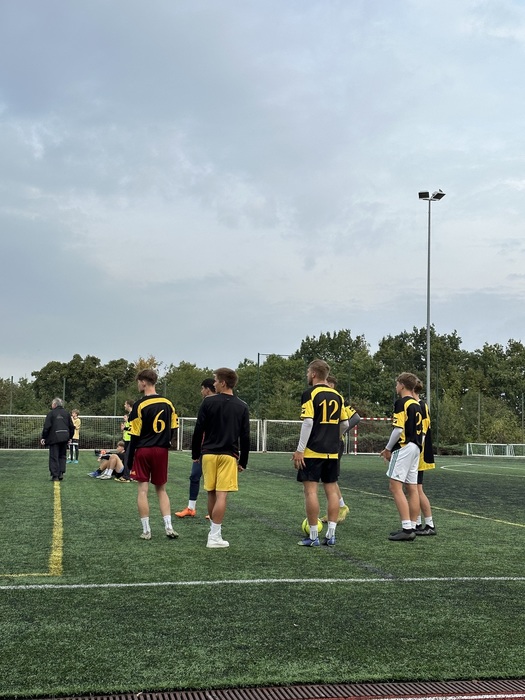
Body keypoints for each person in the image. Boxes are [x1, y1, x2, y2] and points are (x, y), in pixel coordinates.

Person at [191, 367, 250, 549]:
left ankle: (214, 533)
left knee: (211, 492)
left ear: (223, 383)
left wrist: (195, 454)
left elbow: (198, 430)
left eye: (216, 380)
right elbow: (245, 437)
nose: (214, 383)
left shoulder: (208, 402)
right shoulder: (242, 406)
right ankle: (215, 536)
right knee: (222, 495)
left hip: (208, 454)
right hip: (228, 455)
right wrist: (243, 461)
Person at [293, 360, 349, 548]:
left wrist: (300, 449)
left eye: (308, 372)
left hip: (313, 451)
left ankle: (313, 536)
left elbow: (308, 422)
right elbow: (345, 424)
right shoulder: (337, 395)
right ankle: (331, 535)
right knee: (331, 490)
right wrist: (334, 437)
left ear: (314, 374)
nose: (307, 375)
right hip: (332, 452)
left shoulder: (310, 394)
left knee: (311, 491)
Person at [128, 369, 179, 540]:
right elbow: (174, 428)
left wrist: (129, 458)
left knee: (143, 490)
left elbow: (134, 435)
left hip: (144, 450)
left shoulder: (139, 405)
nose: (138, 385)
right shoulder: (168, 403)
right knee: (161, 489)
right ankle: (169, 527)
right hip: (161, 450)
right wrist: (165, 442)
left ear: (143, 382)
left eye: (138, 382)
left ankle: (146, 531)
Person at [380, 372, 423, 541]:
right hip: (416, 447)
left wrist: (388, 449)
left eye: (397, 384)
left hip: (404, 447)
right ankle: (412, 525)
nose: (396, 387)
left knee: (395, 487)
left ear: (402, 385)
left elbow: (398, 429)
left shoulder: (402, 403)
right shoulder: (417, 404)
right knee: (412, 488)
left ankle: (407, 529)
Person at [320, 375, 361, 524]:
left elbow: (356, 418)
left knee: (330, 478)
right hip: (327, 443)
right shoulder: (325, 399)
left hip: (335, 443)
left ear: (331, 384)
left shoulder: (338, 399)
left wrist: (338, 432)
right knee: (327, 478)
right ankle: (338, 508)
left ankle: (341, 507)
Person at [175, 378, 216, 518]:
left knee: (214, 480)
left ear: (208, 389)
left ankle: (214, 511)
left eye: (202, 388)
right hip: (203, 449)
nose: (201, 391)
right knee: (194, 476)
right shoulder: (206, 403)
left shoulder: (218, 403)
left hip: (215, 449)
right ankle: (191, 508)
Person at [413, 379, 437, 536]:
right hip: (418, 452)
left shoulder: (421, 406)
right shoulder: (417, 405)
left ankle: (429, 524)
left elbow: (423, 431)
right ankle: (417, 523)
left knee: (417, 489)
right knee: (413, 489)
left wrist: (416, 450)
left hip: (419, 454)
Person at [41, 398, 75, 481]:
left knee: (54, 456)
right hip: (65, 437)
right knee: (62, 455)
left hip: (54, 438)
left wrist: (44, 437)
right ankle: (61, 473)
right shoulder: (66, 413)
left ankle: (55, 475)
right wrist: (70, 437)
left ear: (54, 405)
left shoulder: (51, 413)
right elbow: (71, 427)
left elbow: (47, 427)